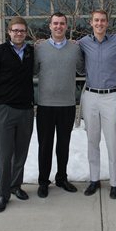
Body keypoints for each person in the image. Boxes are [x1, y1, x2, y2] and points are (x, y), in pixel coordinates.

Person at [0, 16, 34, 213]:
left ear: (26, 33)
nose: (18, 33)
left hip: (26, 110)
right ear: (9, 32)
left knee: (21, 153)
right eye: (15, 30)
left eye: (22, 30)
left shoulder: (30, 51)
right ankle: (2, 194)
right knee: (4, 155)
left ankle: (15, 185)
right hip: (4, 110)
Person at [79, 10, 116, 199]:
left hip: (111, 97)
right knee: (92, 141)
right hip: (90, 96)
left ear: (107, 23)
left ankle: (115, 182)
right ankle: (94, 179)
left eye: (102, 20)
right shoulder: (83, 42)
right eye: (96, 20)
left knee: (113, 141)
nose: (99, 23)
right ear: (91, 23)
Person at [34, 12, 84, 198]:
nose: (58, 27)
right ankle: (43, 181)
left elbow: (82, 69)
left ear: (66, 26)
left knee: (64, 145)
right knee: (45, 146)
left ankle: (62, 178)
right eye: (55, 23)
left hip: (67, 105)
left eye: (62, 23)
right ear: (50, 26)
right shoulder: (40, 48)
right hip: (45, 106)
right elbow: (32, 70)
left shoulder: (75, 49)